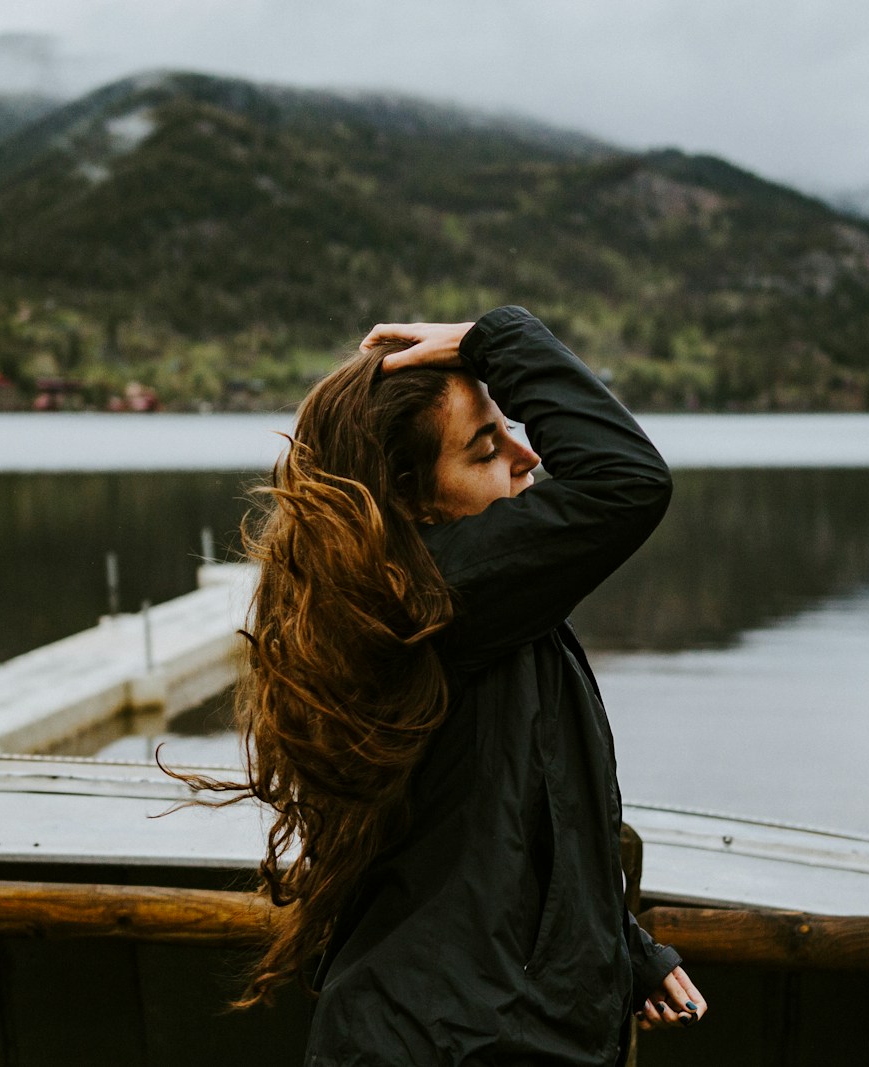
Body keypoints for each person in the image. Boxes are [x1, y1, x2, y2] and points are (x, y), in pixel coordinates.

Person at [195, 306, 707, 1065]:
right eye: (485, 448)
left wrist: (626, 952)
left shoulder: (468, 607)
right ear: (411, 501)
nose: (528, 456)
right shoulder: (434, 600)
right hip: (446, 1043)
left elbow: (504, 828)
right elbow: (626, 480)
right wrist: (499, 338)